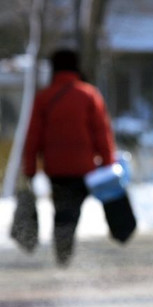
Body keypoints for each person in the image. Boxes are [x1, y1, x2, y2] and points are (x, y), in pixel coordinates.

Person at [22, 49, 115, 266]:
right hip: (84, 167)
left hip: (55, 167)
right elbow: (102, 132)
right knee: (71, 209)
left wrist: (30, 168)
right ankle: (65, 247)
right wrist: (108, 162)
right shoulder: (89, 94)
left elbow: (33, 135)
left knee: (62, 207)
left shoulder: (44, 97)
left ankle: (62, 248)